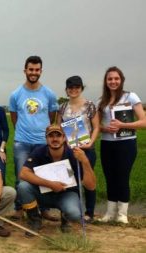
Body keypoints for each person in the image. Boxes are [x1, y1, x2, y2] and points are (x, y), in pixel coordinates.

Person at [18, 125, 96, 235]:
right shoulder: (39, 151)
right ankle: (34, 219)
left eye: (58, 135)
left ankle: (65, 219)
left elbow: (91, 186)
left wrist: (85, 161)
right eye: (51, 136)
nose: (55, 139)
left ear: (64, 138)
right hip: (43, 193)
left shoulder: (74, 154)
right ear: (46, 139)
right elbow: (23, 173)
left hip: (67, 194)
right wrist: (50, 184)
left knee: (74, 214)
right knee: (23, 187)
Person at [9, 56, 59, 221]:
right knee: (20, 176)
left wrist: (39, 130)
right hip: (21, 142)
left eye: (37, 70)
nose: (33, 72)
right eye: (30, 69)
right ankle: (19, 207)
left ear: (41, 71)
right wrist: (24, 131)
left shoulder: (49, 94)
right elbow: (14, 117)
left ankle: (44, 209)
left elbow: (51, 117)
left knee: (43, 177)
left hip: (42, 143)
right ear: (25, 70)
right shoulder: (15, 94)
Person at [97, 66, 146, 224]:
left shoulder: (131, 97)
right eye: (110, 79)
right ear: (106, 81)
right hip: (107, 144)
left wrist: (122, 125)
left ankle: (122, 214)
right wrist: (106, 128)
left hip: (126, 144)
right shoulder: (101, 101)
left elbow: (144, 122)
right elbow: (96, 126)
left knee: (122, 177)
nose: (113, 81)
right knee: (109, 177)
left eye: (116, 78)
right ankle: (110, 213)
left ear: (121, 80)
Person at [56, 76, 100, 222]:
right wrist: (64, 144)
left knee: (88, 181)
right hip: (69, 151)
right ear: (66, 90)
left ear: (81, 88)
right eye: (70, 88)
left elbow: (96, 127)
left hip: (86, 149)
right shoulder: (62, 107)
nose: (73, 90)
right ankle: (71, 211)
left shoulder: (90, 105)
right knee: (70, 181)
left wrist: (90, 142)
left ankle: (89, 212)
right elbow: (59, 128)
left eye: (77, 87)